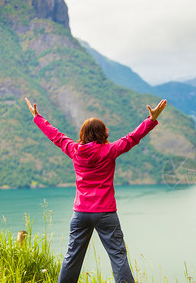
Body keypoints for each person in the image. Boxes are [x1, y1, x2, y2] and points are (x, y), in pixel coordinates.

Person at [25, 97, 167, 283]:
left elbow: (56, 136)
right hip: (105, 212)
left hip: (81, 212)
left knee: (72, 256)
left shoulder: (74, 150)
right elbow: (132, 138)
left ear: (83, 134)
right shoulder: (109, 151)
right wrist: (150, 120)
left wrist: (37, 118)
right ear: (103, 133)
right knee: (118, 255)